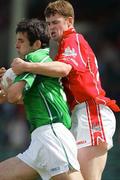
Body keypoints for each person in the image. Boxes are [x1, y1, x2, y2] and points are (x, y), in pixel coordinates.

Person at [11, 1, 120, 180]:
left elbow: (64, 69)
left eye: (56, 22)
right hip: (79, 115)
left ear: (69, 22)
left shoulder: (73, 39)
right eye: (48, 23)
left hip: (91, 111)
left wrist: (26, 66)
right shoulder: (62, 48)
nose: (51, 27)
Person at [0, 18, 83, 180]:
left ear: (37, 44)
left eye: (21, 41)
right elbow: (12, 98)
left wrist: (10, 81)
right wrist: (5, 83)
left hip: (52, 133)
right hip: (40, 138)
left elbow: (13, 96)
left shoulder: (35, 59)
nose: (16, 45)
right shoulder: (34, 66)